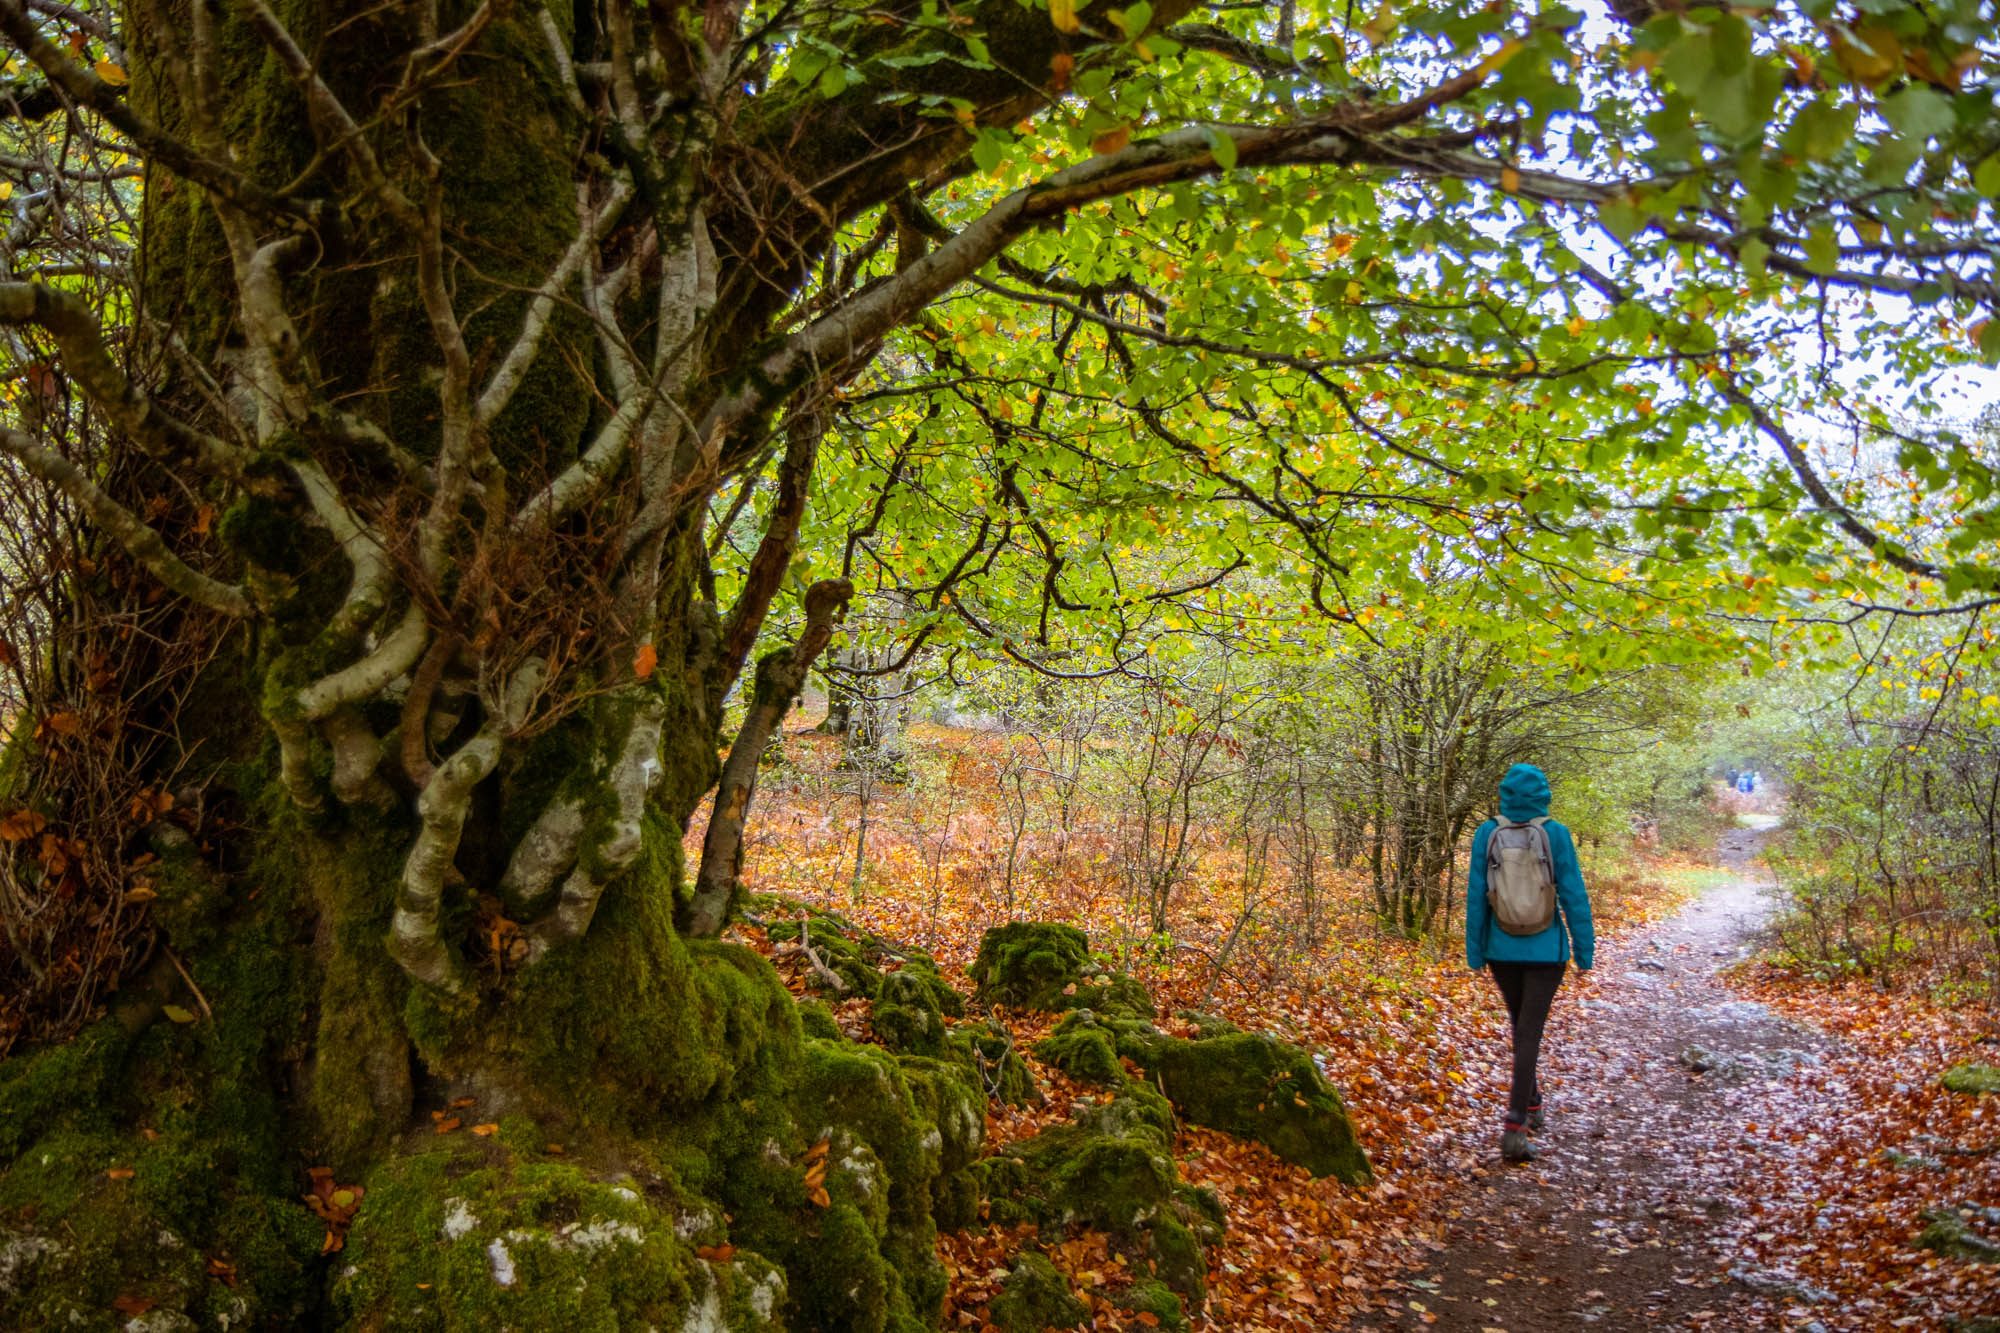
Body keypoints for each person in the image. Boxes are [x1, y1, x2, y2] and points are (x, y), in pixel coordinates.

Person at [1465, 763, 1595, 1164]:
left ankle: (1533, 1104)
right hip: (1545, 952)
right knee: (1528, 1033)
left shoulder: (1487, 833)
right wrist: (1584, 950)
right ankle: (1515, 1126)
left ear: (1504, 794)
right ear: (1543, 795)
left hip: (1501, 950)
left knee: (1521, 1028)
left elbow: (1475, 895)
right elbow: (1573, 893)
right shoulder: (1555, 833)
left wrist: (1475, 950)